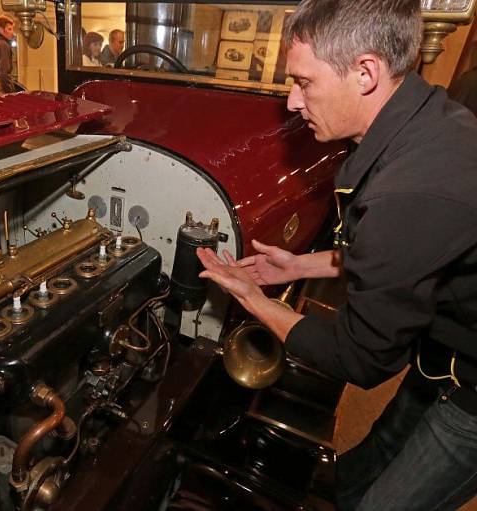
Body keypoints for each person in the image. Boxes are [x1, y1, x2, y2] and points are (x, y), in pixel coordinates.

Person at [196, 1, 477, 510]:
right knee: (368, 463)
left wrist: (254, 300)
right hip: (447, 353)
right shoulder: (421, 122)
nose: (291, 101)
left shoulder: (412, 189)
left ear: (365, 72)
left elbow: (360, 358)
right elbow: (411, 255)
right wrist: (300, 264)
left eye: (304, 81)